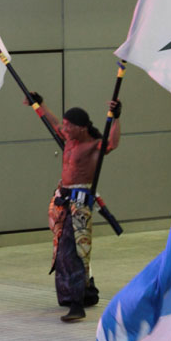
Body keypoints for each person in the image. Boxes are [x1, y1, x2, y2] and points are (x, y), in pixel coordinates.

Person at [28, 92, 121, 322]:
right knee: (61, 250)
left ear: (81, 127)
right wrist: (39, 104)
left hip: (80, 203)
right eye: (66, 125)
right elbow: (53, 122)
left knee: (76, 251)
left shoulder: (91, 145)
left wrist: (116, 117)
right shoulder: (69, 140)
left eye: (70, 126)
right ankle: (80, 294)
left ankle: (77, 304)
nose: (65, 129)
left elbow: (112, 143)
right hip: (63, 199)